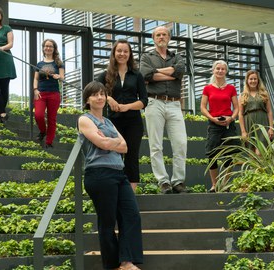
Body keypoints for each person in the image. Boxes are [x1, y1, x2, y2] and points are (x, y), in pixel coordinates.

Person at [78, 81, 143, 270]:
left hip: (118, 173)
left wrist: (108, 141)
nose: (99, 97)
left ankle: (127, 262)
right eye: (95, 94)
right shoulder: (84, 119)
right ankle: (112, 265)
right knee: (107, 222)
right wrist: (110, 142)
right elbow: (105, 144)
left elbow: (125, 147)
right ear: (87, 100)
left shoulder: (108, 122)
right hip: (99, 174)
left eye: (102, 94)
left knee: (131, 215)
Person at [140, 26, 188, 194]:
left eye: (164, 34)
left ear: (169, 38)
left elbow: (181, 71)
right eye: (158, 35)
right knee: (156, 145)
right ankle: (163, 181)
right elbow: (145, 75)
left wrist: (157, 74)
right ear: (153, 38)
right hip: (154, 102)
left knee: (181, 143)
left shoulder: (177, 57)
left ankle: (178, 181)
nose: (161, 37)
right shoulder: (147, 56)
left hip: (175, 104)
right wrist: (171, 74)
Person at [97, 39, 148, 192]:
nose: (122, 54)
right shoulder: (105, 75)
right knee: (114, 155)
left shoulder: (137, 75)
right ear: (114, 53)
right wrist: (109, 98)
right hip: (113, 122)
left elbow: (144, 101)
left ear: (130, 54)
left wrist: (127, 107)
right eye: (119, 51)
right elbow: (94, 92)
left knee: (131, 156)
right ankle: (115, 189)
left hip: (134, 122)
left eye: (126, 51)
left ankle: (130, 192)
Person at [200, 60, 239, 192]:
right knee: (212, 154)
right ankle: (215, 185)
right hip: (214, 124)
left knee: (229, 155)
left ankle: (225, 184)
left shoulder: (231, 88)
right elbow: (203, 107)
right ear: (213, 70)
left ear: (226, 71)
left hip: (229, 124)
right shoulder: (207, 88)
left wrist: (231, 118)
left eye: (223, 69)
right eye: (218, 69)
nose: (220, 71)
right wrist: (213, 119)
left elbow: (237, 107)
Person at [33, 39, 64, 148]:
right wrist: (35, 90)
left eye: (50, 46)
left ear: (54, 49)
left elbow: (62, 77)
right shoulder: (39, 64)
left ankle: (49, 142)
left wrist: (58, 77)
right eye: (46, 46)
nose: (48, 48)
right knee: (38, 115)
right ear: (43, 48)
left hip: (54, 94)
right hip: (41, 93)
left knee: (52, 119)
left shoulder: (59, 63)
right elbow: (36, 79)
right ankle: (43, 131)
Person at [238, 70, 274, 155]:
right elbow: (240, 114)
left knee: (260, 152)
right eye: (251, 79)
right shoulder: (242, 95)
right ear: (247, 81)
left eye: (255, 79)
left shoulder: (264, 94)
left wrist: (271, 128)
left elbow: (269, 111)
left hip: (262, 124)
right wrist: (243, 131)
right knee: (251, 154)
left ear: (258, 80)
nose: (253, 81)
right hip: (249, 124)